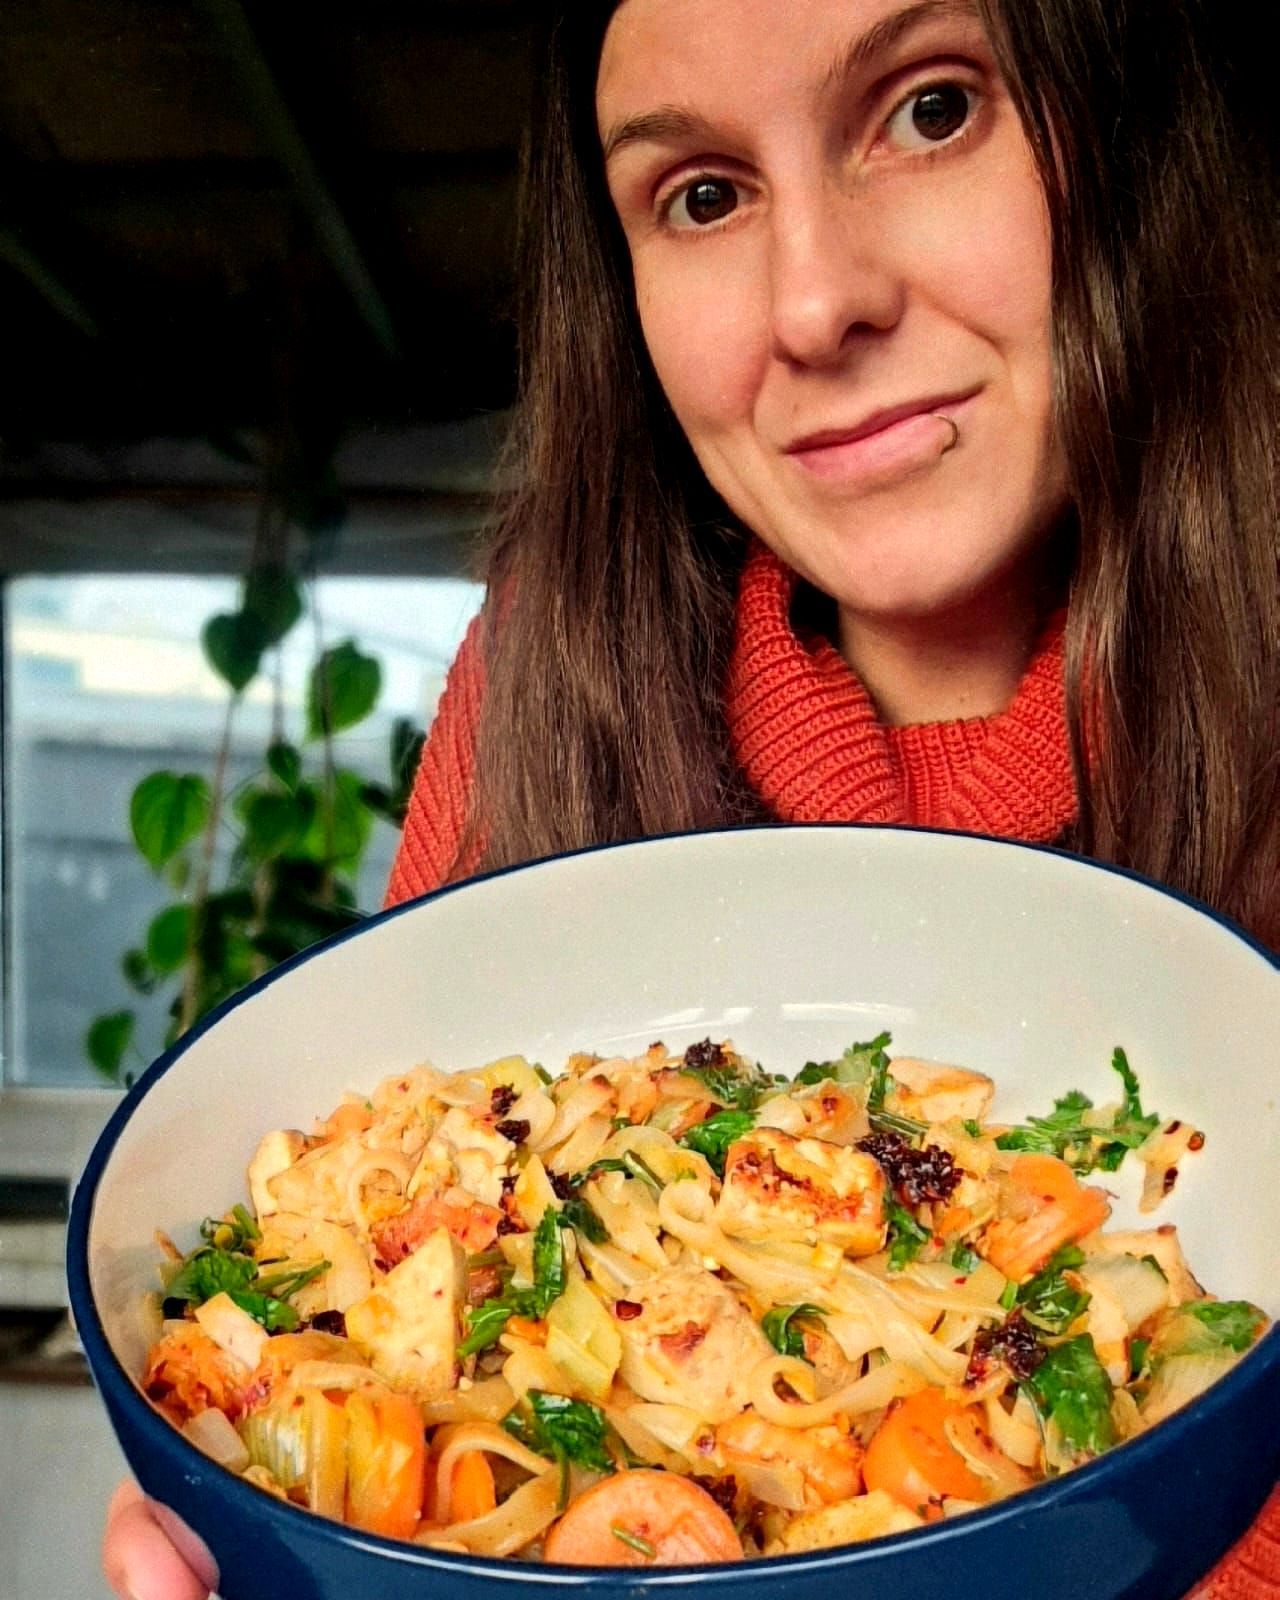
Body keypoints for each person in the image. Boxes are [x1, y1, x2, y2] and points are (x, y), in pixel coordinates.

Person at [103, 0, 1278, 1595]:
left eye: (931, 110)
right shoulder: (546, 666)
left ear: (1133, 128)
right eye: (704, 195)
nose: (817, 305)